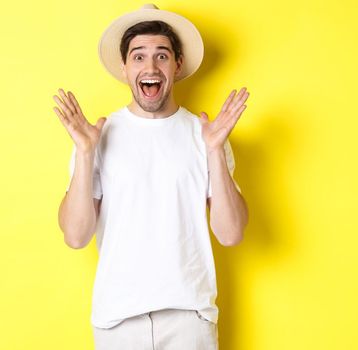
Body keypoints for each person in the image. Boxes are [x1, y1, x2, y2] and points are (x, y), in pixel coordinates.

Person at [52, 4, 249, 349]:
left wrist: (215, 149)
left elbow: (231, 233)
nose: (151, 66)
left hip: (189, 320)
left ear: (177, 65)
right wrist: (85, 153)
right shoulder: (97, 136)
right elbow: (75, 235)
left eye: (162, 55)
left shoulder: (205, 135)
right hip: (118, 323)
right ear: (125, 68)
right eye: (139, 57)